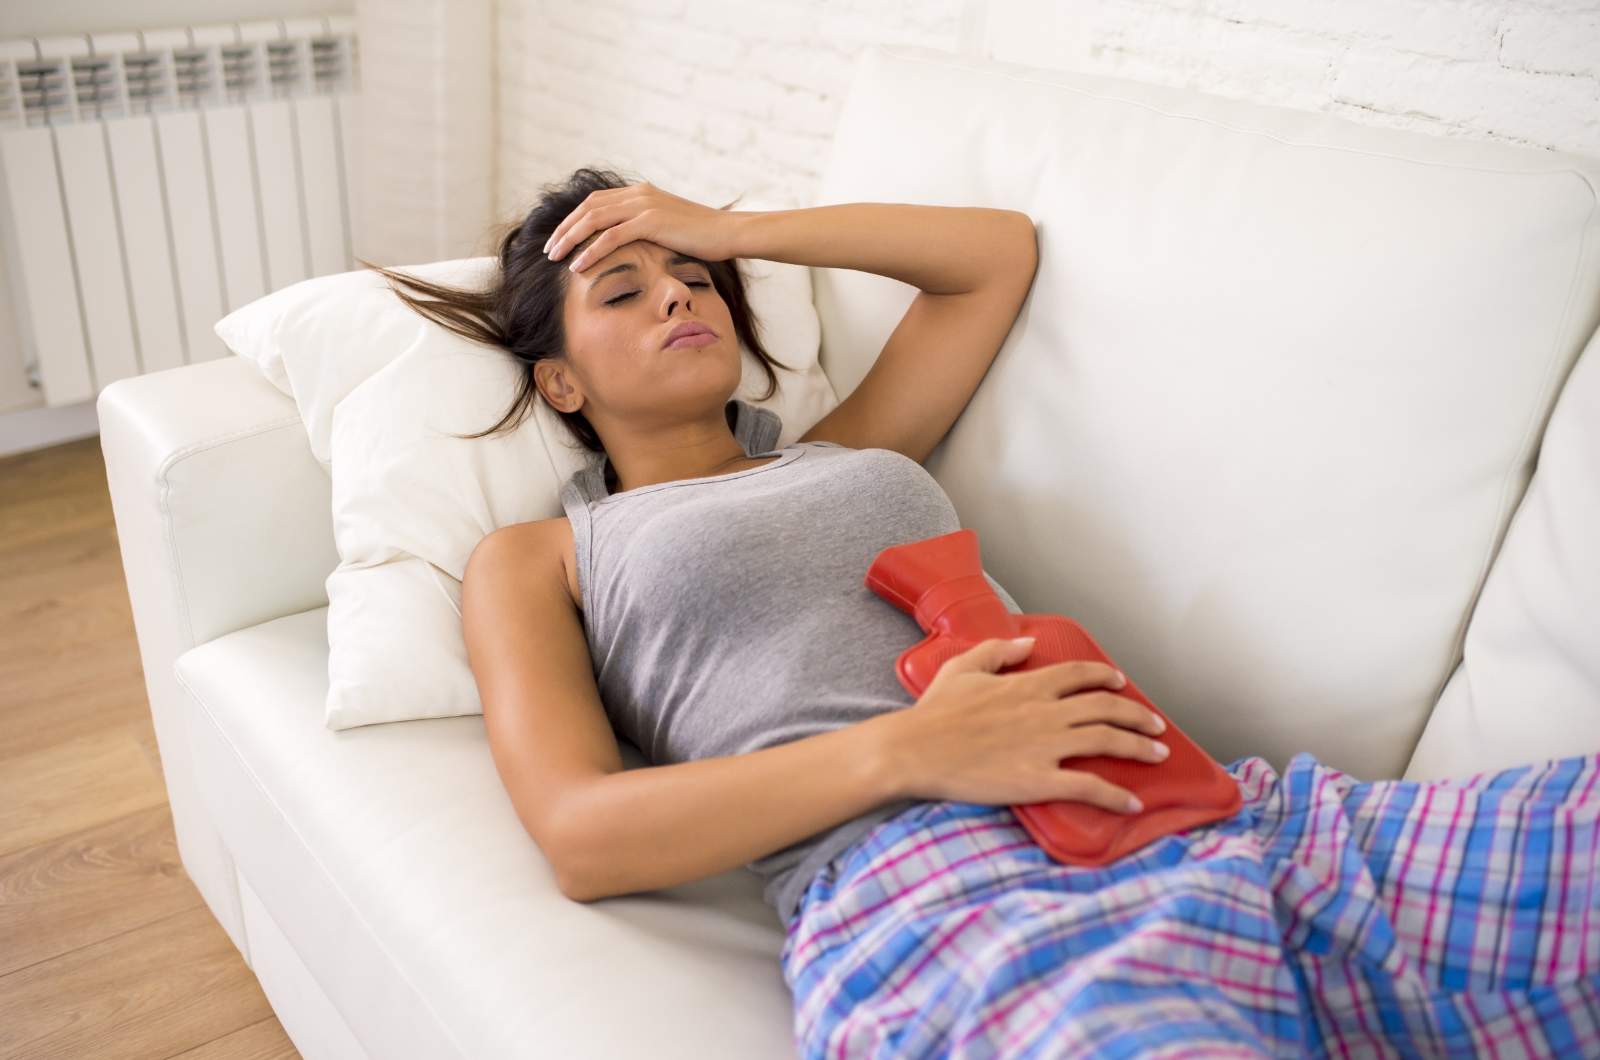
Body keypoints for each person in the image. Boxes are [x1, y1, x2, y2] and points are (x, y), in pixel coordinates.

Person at [382, 167, 1600, 1058]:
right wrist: (908, 749)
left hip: (1196, 804)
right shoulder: (543, 554)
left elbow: (994, 254)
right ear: (559, 378)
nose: (677, 297)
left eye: (694, 278)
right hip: (938, 885)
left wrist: (731, 226)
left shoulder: (841, 451)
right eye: (625, 290)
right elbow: (582, 832)